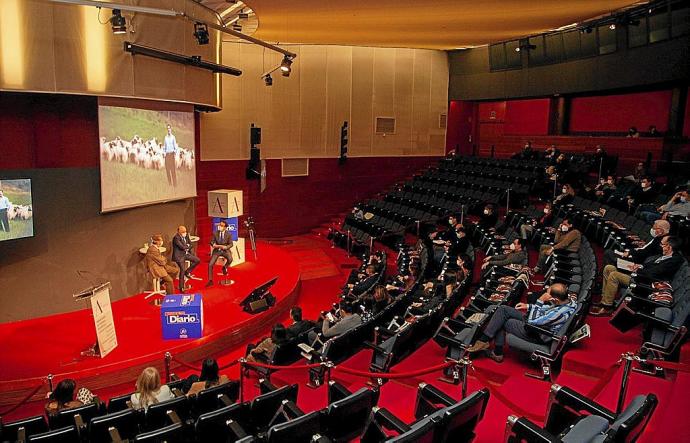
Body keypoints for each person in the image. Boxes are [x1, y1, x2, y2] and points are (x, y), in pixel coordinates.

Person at [466, 283, 576, 362]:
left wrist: (540, 301)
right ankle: (485, 340)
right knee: (503, 309)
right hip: (539, 322)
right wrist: (528, 306)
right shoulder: (568, 302)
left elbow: (532, 322)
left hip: (537, 332)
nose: (547, 297)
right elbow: (550, 308)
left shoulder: (559, 314)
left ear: (556, 299)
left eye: (549, 296)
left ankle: (496, 351)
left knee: (504, 321)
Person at [591, 236, 685, 316]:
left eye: (663, 245)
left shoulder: (675, 260)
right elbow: (652, 265)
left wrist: (638, 269)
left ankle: (607, 307)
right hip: (640, 275)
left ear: (669, 247)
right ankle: (604, 300)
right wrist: (640, 266)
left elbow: (654, 273)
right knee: (609, 268)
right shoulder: (665, 255)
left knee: (614, 275)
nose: (661, 246)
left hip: (646, 282)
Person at [603, 219, 669, 267]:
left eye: (654, 228)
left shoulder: (661, 241)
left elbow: (644, 252)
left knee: (608, 252)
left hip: (636, 262)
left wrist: (630, 252)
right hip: (637, 255)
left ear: (661, 230)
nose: (653, 230)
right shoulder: (659, 237)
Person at [172, 225, 201, 292]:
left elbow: (191, 245)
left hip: (185, 254)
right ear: (178, 232)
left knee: (197, 260)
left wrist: (187, 246)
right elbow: (182, 247)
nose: (184, 233)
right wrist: (187, 246)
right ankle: (181, 287)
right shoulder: (176, 238)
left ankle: (187, 272)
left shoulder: (186, 235)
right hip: (179, 256)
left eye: (185, 231)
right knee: (182, 269)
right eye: (183, 232)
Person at [207, 220, 233, 287]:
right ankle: (210, 280)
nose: (220, 227)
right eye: (219, 225)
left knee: (230, 259)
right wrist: (213, 245)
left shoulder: (229, 234)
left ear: (225, 227)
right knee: (210, 264)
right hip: (217, 250)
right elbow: (211, 242)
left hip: (225, 250)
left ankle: (225, 267)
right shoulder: (215, 233)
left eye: (221, 226)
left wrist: (226, 247)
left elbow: (231, 244)